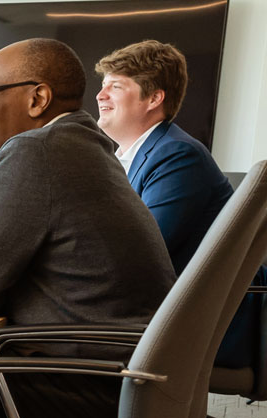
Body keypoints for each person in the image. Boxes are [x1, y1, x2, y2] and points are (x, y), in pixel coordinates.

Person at [0, 38, 174, 416]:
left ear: (37, 99)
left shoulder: (33, 151)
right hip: (130, 376)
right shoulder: (89, 146)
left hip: (74, 383)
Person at [95, 39, 257, 368]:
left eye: (115, 86)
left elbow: (142, 254)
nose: (100, 95)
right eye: (102, 86)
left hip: (203, 327)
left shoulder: (175, 155)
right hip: (166, 314)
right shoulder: (135, 158)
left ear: (154, 98)